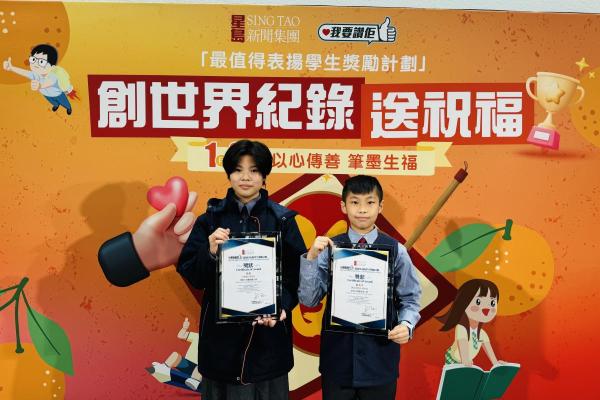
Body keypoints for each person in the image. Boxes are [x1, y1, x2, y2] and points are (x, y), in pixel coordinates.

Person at [177, 140, 306, 399]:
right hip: (221, 346)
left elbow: (298, 275)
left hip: (268, 345)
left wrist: (281, 307)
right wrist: (209, 252)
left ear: (264, 176)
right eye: (238, 170)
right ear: (228, 174)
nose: (245, 177)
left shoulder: (282, 220)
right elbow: (192, 274)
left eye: (254, 170)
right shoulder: (209, 220)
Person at [298, 175, 421, 400]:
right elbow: (309, 300)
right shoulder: (330, 248)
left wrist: (407, 324)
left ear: (380, 206)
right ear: (343, 206)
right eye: (355, 202)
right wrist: (311, 258)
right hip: (338, 360)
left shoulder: (396, 251)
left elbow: (410, 299)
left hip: (379, 359)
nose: (362, 209)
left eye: (370, 202)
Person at [437, 279, 506, 366]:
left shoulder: (482, 334)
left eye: (492, 303)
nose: (486, 308)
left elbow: (493, 359)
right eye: (478, 302)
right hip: (453, 360)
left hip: (467, 362)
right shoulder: (461, 328)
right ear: (464, 303)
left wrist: (497, 364)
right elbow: (463, 346)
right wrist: (465, 360)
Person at [3, 44, 74, 114]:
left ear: (52, 67)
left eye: (41, 62)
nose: (35, 64)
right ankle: (56, 105)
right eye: (33, 59)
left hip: (58, 95)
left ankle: (68, 108)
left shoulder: (52, 76)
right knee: (53, 102)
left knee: (65, 103)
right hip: (46, 95)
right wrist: (11, 68)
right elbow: (24, 72)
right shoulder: (35, 74)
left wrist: (40, 85)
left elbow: (49, 82)